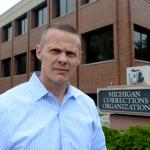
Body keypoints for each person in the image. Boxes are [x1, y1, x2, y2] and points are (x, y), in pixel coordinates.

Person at [0, 24, 106, 150]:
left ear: (79, 58)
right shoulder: (4, 107)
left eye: (71, 53)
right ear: (39, 52)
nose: (63, 59)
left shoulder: (88, 106)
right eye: (55, 51)